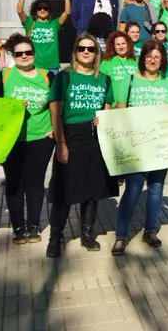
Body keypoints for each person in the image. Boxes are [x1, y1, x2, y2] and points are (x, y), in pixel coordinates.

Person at [46, 34, 119, 258]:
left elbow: (108, 107)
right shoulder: (64, 78)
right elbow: (55, 111)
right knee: (64, 190)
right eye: (81, 48)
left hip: (95, 138)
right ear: (75, 52)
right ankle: (56, 237)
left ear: (97, 53)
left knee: (92, 189)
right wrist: (61, 143)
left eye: (91, 49)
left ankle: (87, 234)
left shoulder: (104, 79)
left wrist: (104, 117)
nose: (86, 52)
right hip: (71, 136)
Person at [111, 40, 168, 255]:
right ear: (143, 58)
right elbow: (120, 107)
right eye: (149, 56)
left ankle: (150, 231)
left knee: (156, 189)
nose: (153, 60)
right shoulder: (130, 80)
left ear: (163, 61)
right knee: (132, 190)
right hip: (137, 146)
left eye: (157, 57)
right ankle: (121, 235)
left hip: (160, 147)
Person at [0, 34, 55, 245]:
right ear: (12, 55)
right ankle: (18, 227)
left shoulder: (47, 76)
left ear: (34, 54)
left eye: (28, 52)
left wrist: (55, 129)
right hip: (11, 140)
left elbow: (57, 105)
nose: (24, 56)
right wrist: (13, 108)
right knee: (14, 182)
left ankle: (34, 225)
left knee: (35, 182)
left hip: (41, 138)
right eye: (19, 53)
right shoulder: (4, 76)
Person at [18, 0, 71, 72]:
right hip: (34, 65)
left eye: (46, 8)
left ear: (50, 11)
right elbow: (20, 11)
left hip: (52, 66)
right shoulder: (29, 23)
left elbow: (67, 12)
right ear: (35, 10)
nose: (42, 10)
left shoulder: (54, 24)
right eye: (39, 8)